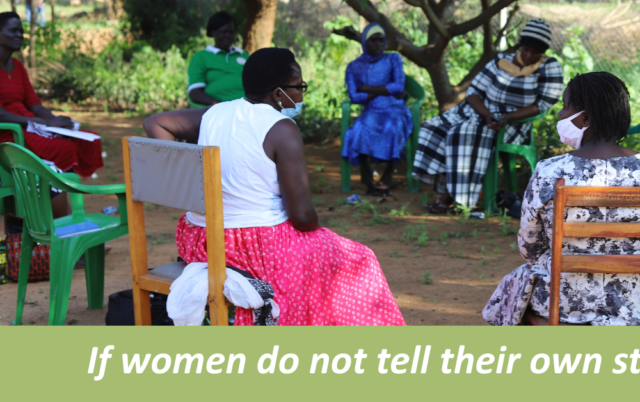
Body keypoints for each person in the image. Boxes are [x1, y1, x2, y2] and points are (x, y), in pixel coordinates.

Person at [144, 48, 405, 326]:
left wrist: (186, 176)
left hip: (199, 241)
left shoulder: (215, 113)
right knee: (360, 258)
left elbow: (155, 122)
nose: (302, 95)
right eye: (299, 87)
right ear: (279, 94)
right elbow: (303, 218)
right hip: (254, 248)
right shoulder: (282, 129)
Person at [483, 72, 640, 325]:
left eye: (564, 107)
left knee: (513, 291)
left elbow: (530, 248)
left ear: (584, 118)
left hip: (564, 303)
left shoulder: (550, 172)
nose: (560, 114)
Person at [415, 18, 564, 214]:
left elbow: (543, 104)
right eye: (525, 49)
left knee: (464, 133)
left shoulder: (549, 66)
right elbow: (474, 92)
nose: (528, 55)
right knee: (433, 127)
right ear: (520, 46)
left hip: (513, 124)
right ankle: (449, 185)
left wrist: (506, 118)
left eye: (535, 52)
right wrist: (486, 114)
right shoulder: (501, 61)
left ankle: (453, 198)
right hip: (480, 112)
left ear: (542, 52)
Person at [0, 12, 103, 181]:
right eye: (13, 31)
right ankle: (56, 199)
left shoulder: (18, 66)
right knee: (63, 148)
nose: (19, 35)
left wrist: (56, 122)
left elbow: (35, 105)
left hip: (29, 124)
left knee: (87, 139)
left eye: (21, 31)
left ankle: (58, 198)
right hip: (9, 132)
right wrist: (46, 123)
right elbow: (1, 114)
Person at [342, 23, 412, 197]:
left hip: (395, 109)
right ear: (365, 42)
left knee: (393, 127)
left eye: (381, 40)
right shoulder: (354, 66)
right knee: (359, 130)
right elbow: (354, 97)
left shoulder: (393, 59)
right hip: (371, 111)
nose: (378, 44)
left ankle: (386, 178)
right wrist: (383, 90)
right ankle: (370, 181)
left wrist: (366, 88)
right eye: (373, 40)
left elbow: (399, 86)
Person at [186, 12, 250, 106]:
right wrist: (218, 104)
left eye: (231, 32)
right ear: (212, 32)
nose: (227, 36)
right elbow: (195, 93)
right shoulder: (201, 57)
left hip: (247, 108)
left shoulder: (243, 55)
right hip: (215, 109)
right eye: (223, 32)